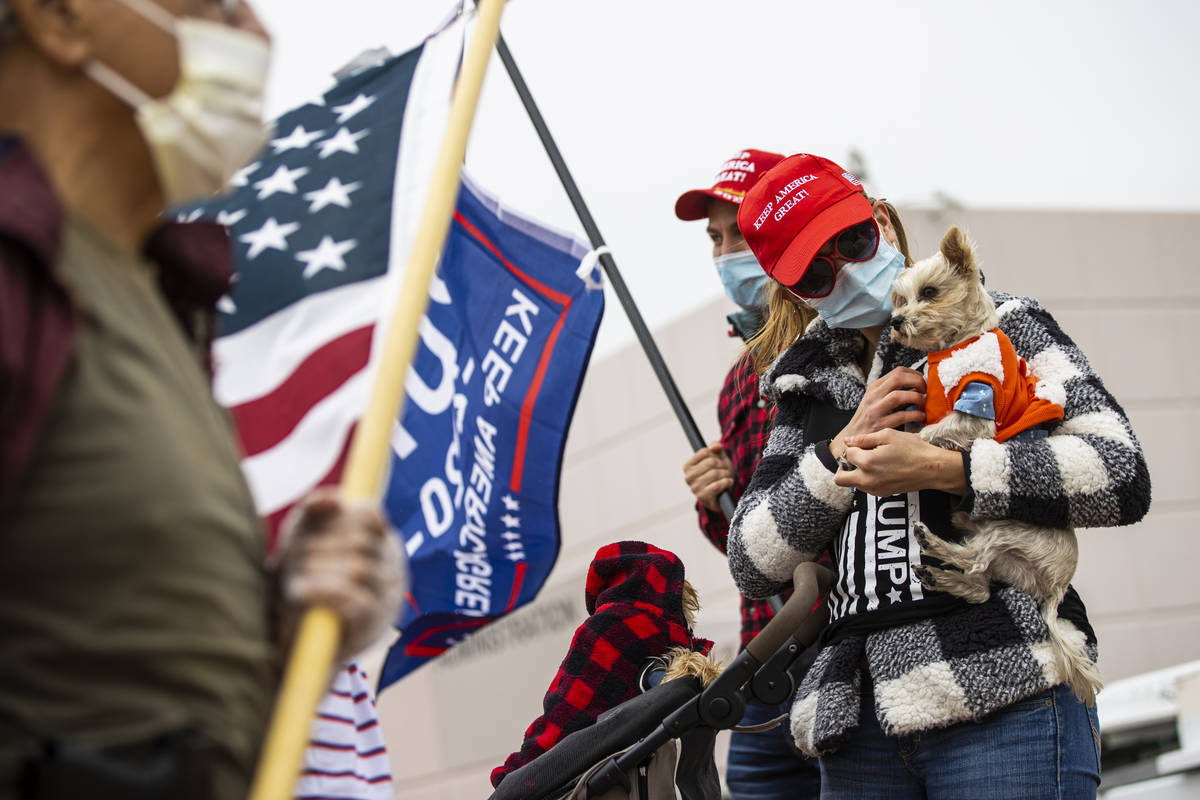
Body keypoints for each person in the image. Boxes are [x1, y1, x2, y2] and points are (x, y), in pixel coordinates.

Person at [0, 1, 401, 797]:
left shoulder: (158, 298)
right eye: (213, 4)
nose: (255, 33)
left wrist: (281, 631)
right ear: (58, 18)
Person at [726, 152, 1152, 798]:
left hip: (1006, 690)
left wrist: (950, 469)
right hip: (855, 725)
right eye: (816, 271)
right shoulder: (801, 384)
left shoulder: (1000, 324)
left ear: (883, 222)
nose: (844, 270)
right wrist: (840, 451)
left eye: (853, 240)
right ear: (792, 293)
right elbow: (752, 560)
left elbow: (1119, 472)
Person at [675, 149, 822, 798]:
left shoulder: (841, 342)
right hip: (762, 656)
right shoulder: (738, 382)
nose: (726, 252)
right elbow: (752, 549)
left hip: (834, 644)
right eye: (715, 239)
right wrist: (719, 502)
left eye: (740, 231)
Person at [490, 541, 714, 790]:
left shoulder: (606, 629)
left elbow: (564, 712)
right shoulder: (680, 647)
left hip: (578, 776)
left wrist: (513, 772)